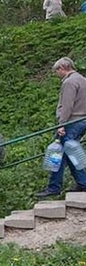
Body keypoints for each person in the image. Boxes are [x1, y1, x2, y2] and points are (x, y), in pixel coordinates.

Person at [36, 57, 86, 197]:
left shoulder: (69, 82)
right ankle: (62, 185)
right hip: (82, 120)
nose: (57, 74)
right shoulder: (82, 79)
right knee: (65, 153)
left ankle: (57, 187)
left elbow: (67, 105)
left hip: (72, 121)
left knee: (62, 153)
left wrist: (62, 123)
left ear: (63, 68)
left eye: (57, 71)